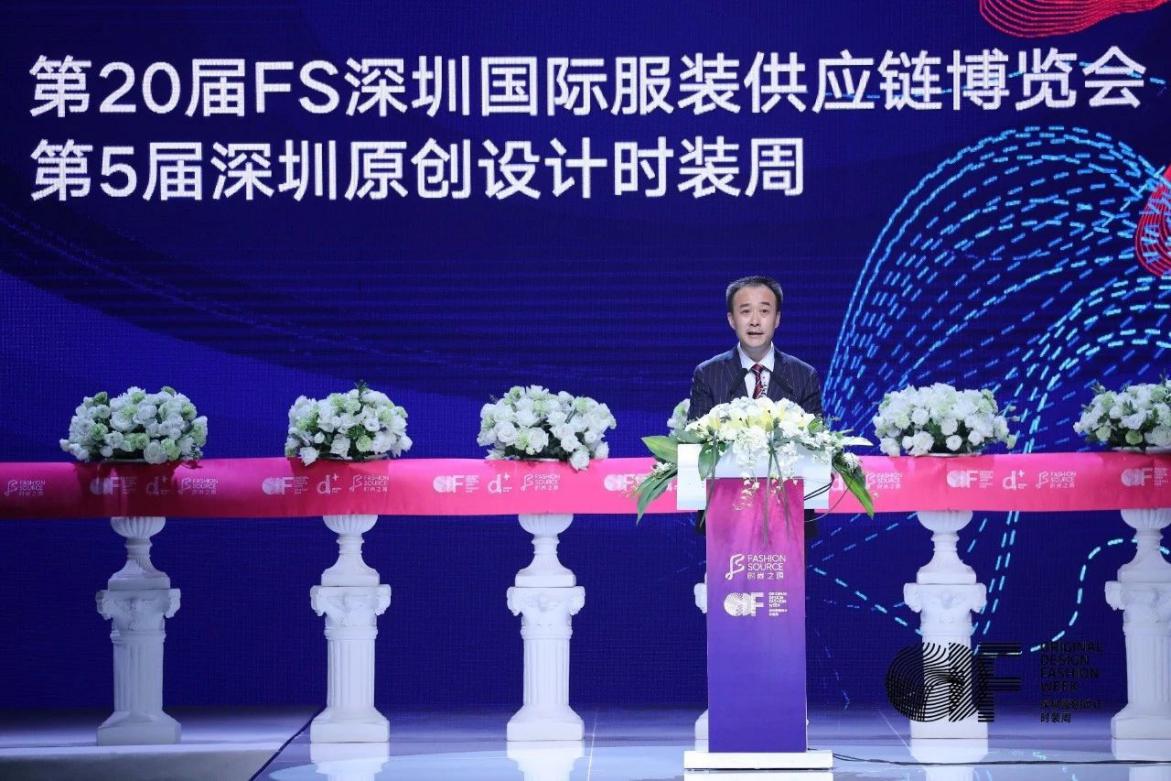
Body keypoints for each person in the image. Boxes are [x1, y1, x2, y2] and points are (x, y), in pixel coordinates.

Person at [688, 276, 823, 420]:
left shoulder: (804, 376)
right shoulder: (708, 374)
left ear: (777, 318)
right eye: (746, 311)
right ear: (731, 319)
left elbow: (816, 432)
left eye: (764, 311)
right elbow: (696, 432)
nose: (755, 321)